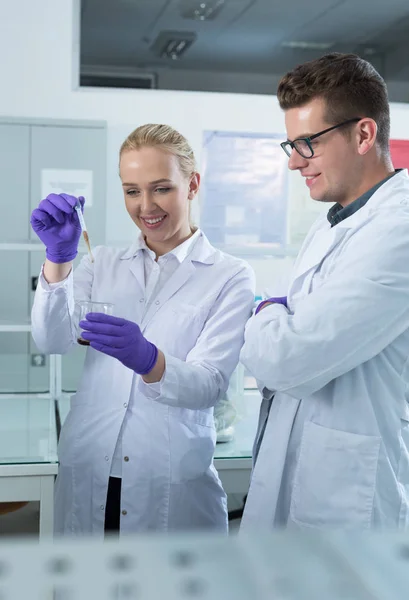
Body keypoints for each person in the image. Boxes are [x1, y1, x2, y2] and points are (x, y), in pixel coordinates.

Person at [30, 123, 255, 536]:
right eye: (132, 190)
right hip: (91, 464)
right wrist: (57, 259)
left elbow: (209, 384)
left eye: (161, 188)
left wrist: (151, 361)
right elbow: (51, 339)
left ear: (192, 185)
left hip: (167, 479)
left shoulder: (229, 276)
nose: (145, 205)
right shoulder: (103, 263)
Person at [240, 53, 409, 530]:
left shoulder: (399, 230)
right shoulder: (335, 220)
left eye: (308, 143)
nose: (294, 162)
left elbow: (287, 359)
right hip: (305, 470)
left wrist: (264, 313)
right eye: (291, 145)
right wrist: (277, 321)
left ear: (363, 134)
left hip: (350, 501)